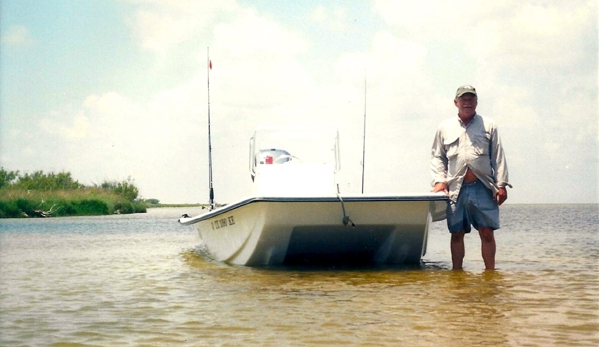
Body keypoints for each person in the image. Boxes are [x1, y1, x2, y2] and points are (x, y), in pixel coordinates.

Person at [430, 85, 511, 270]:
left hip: (483, 186)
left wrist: (501, 184)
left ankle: (490, 275)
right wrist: (439, 181)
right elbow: (436, 156)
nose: (467, 102)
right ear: (456, 102)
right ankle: (457, 274)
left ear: (476, 102)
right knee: (457, 233)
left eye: (471, 99)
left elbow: (498, 155)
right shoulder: (444, 127)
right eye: (463, 99)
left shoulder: (489, 125)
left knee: (487, 232)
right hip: (455, 189)